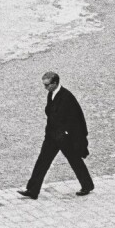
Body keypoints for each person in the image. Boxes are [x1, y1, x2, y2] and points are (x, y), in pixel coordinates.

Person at [19, 71, 94, 199]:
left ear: (55, 83)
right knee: (42, 161)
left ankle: (87, 185)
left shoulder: (67, 97)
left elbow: (76, 119)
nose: (45, 88)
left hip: (64, 138)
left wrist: (67, 133)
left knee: (75, 161)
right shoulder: (51, 94)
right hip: (52, 136)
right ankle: (32, 190)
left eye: (47, 85)